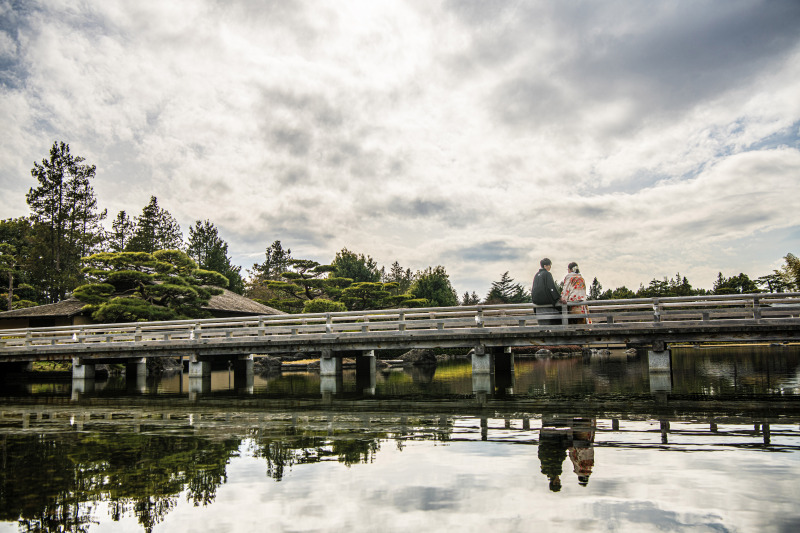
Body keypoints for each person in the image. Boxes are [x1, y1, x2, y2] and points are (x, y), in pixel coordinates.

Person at [531, 258, 561, 326]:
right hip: (547, 303)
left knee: (543, 328)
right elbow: (551, 287)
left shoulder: (536, 275)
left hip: (537, 304)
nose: (550, 267)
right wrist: (558, 297)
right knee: (562, 311)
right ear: (545, 266)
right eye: (549, 265)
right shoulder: (547, 274)